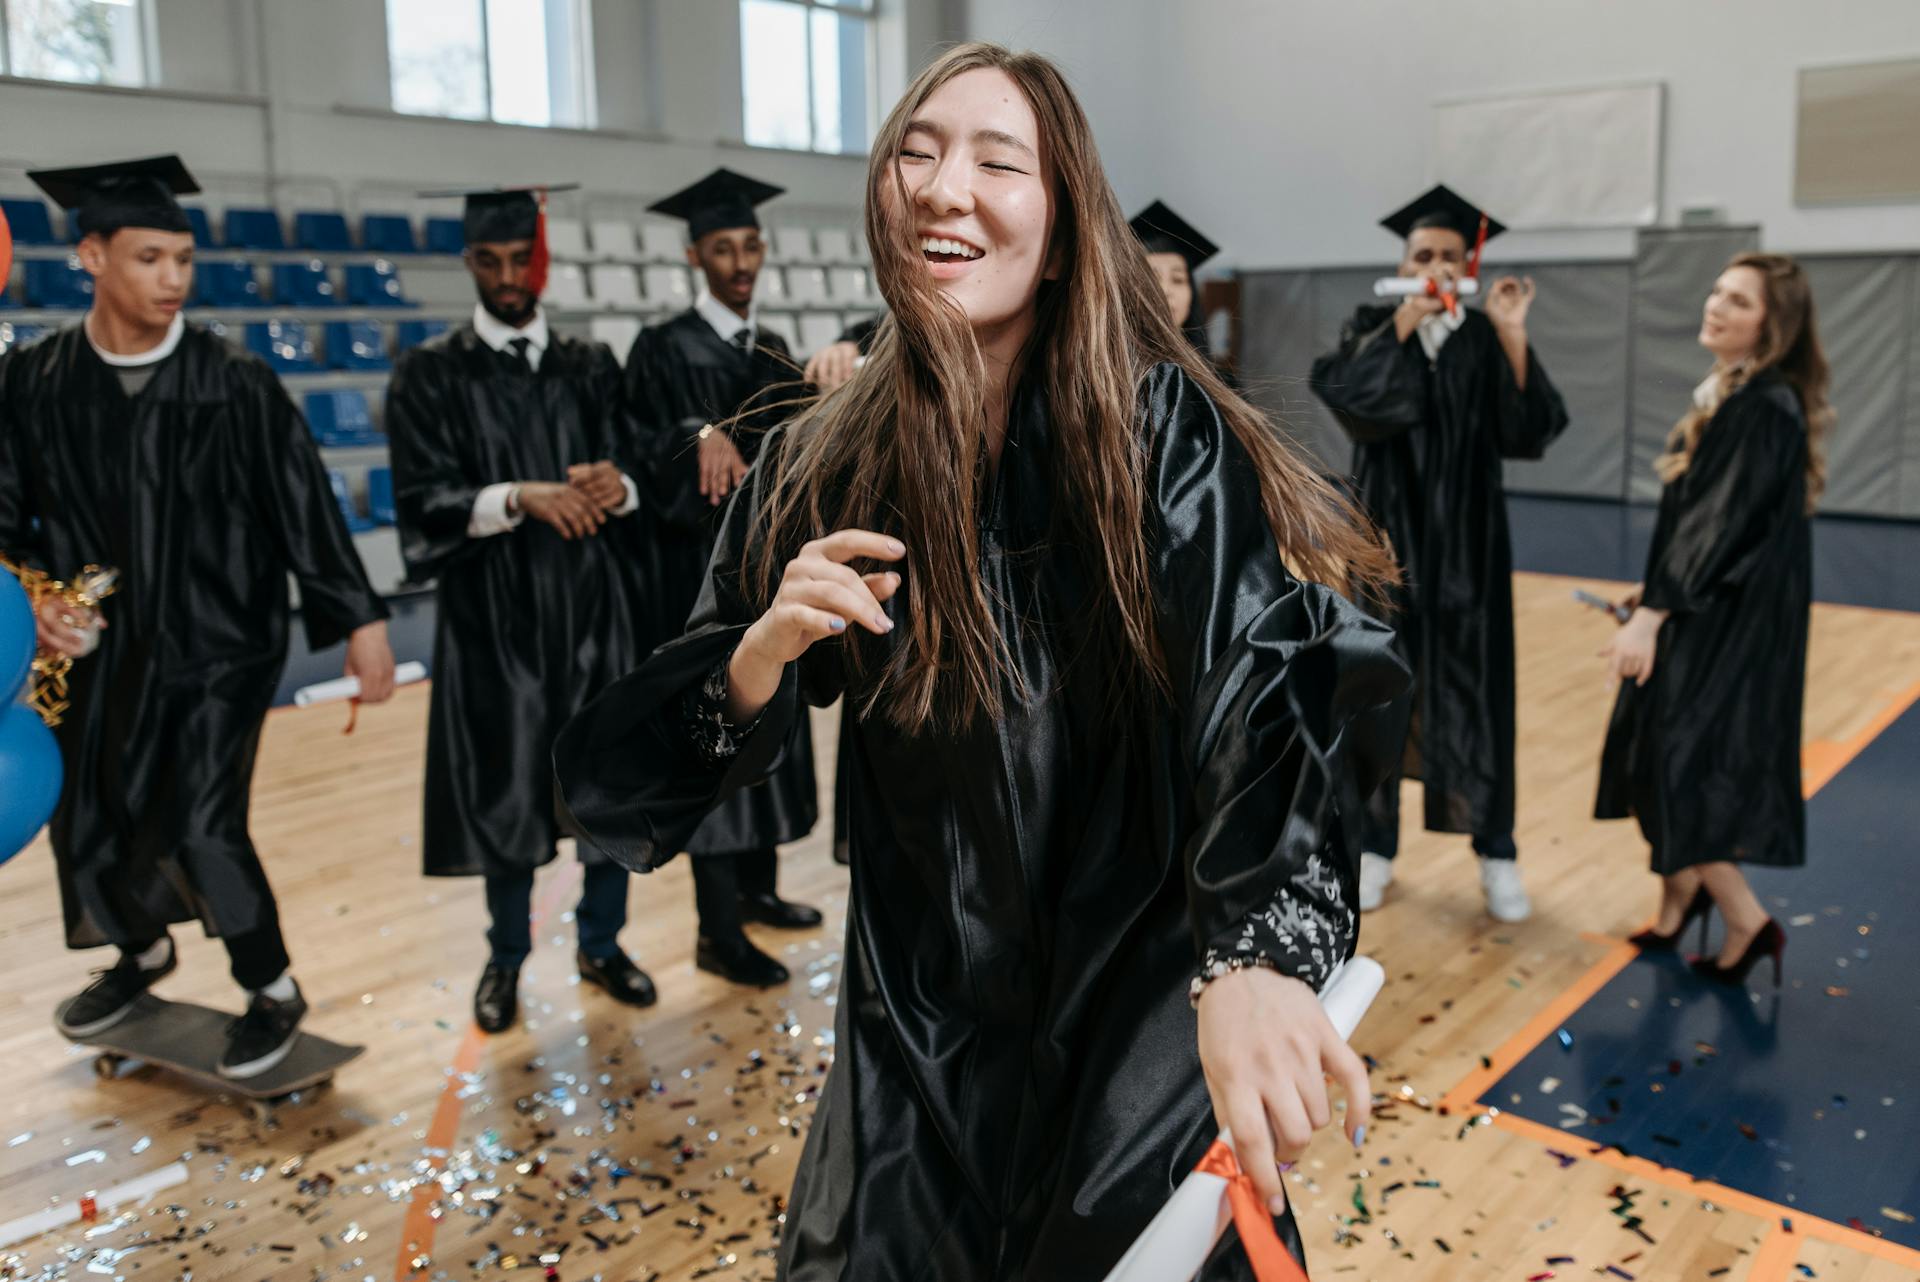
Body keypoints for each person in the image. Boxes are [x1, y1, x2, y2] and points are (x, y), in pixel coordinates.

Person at [557, 43, 1408, 1280]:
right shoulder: (818, 458)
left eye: (998, 161)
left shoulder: (1153, 433)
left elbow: (1262, 677)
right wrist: (757, 653)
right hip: (916, 1033)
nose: (944, 187)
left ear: (1062, 234)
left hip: (1134, 1023)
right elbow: (622, 782)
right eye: (917, 150)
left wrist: (1256, 958)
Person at [0, 155, 396, 1077]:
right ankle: (140, 954)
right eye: (149, 258)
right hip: (100, 642)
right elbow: (5, 511)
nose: (174, 277)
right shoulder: (34, 381)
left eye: (182, 257)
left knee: (199, 819)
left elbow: (305, 504)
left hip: (221, 641)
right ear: (90, 256)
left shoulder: (234, 380)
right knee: (91, 810)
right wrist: (31, 599)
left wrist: (358, 620)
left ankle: (273, 990)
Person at [387, 185, 657, 1034]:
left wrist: (623, 483)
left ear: (541, 263)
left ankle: (602, 944)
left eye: (521, 260)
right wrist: (518, 497)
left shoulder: (591, 365)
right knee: (506, 788)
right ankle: (505, 958)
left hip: (594, 609)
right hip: (494, 618)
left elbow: (641, 458)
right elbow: (422, 497)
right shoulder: (430, 373)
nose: (509, 278)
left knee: (607, 786)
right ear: (470, 264)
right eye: (491, 261)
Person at [1310, 184, 1568, 922]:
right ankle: (1374, 849)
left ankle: (1497, 852)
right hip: (1385, 545)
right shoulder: (1371, 324)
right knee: (1376, 693)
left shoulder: (1485, 336)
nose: (1436, 266)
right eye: (1422, 254)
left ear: (1469, 265)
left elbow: (1530, 430)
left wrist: (1514, 330)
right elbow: (1356, 404)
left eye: (1450, 256)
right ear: (1403, 262)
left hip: (1469, 550)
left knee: (1479, 694)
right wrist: (1405, 321)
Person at [1595, 253, 1830, 986]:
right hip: (1708, 605)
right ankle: (1677, 905)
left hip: (1726, 624)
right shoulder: (1737, 393)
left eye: (1738, 300)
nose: (1716, 305)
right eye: (1716, 289)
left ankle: (1746, 921)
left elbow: (1717, 529)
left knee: (1679, 763)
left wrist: (1655, 612)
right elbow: (1712, 523)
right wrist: (1654, 589)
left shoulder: (1763, 405)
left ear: (1774, 324)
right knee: (1653, 751)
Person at [622, 168, 822, 987]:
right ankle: (715, 930)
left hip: (766, 574)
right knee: (714, 733)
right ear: (693, 255)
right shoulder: (660, 347)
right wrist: (696, 430)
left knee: (769, 723)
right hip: (693, 578)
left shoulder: (772, 349)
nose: (738, 262)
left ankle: (758, 893)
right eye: (721, 249)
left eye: (748, 246)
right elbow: (634, 446)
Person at [1130, 199, 1221, 359]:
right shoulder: (1104, 376)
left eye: (1178, 279)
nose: (1165, 291)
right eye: (1151, 279)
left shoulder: (1218, 380)